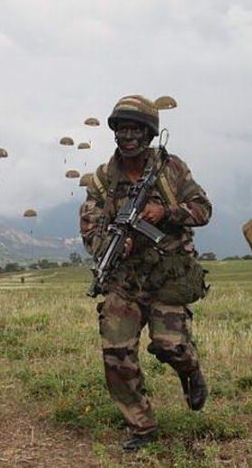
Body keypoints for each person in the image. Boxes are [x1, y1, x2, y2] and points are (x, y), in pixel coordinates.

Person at [79, 95, 212, 452]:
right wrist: (110, 245)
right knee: (116, 354)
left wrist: (165, 212)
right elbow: (90, 227)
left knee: (171, 346)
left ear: (150, 134)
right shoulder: (104, 179)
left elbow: (203, 209)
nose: (128, 137)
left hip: (168, 276)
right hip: (125, 280)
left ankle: (190, 371)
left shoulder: (172, 170)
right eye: (122, 129)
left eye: (135, 130)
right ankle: (142, 426)